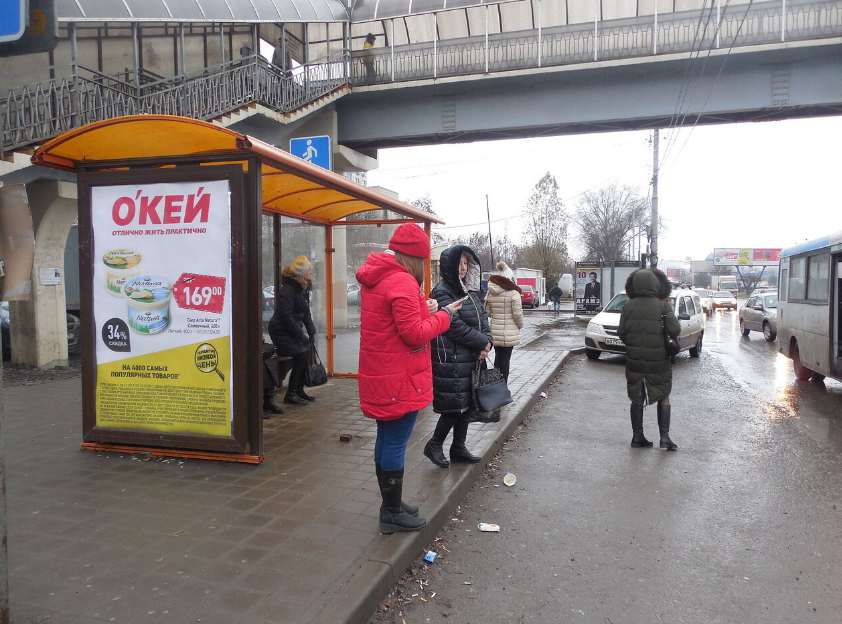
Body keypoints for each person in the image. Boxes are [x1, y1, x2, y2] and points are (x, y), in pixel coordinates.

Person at [356, 224, 462, 534]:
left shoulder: (379, 276)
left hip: (381, 372)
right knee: (396, 442)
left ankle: (391, 503)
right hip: (400, 377)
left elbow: (393, 320)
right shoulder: (401, 280)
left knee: (386, 438)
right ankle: (390, 511)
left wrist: (424, 307)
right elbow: (413, 333)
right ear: (414, 257)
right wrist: (445, 316)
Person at [424, 246, 493, 469]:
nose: (463, 268)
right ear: (449, 266)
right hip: (451, 358)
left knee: (467, 405)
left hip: (471, 357)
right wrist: (481, 342)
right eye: (459, 263)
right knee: (454, 407)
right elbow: (453, 326)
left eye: (466, 263)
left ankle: (458, 447)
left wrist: (488, 341)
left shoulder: (471, 290)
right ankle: (434, 444)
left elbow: (483, 318)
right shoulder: (442, 292)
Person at [617, 268, 680, 451]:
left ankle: (637, 437)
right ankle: (665, 438)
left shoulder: (628, 306)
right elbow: (674, 330)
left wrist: (634, 345)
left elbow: (621, 332)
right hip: (659, 360)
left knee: (637, 395)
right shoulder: (662, 306)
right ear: (655, 285)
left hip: (635, 360)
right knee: (663, 394)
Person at [268, 255, 318, 406]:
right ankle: (291, 394)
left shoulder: (302, 288)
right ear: (303, 272)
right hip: (281, 330)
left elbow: (305, 312)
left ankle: (298, 391)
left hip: (290, 329)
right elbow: (286, 316)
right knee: (301, 356)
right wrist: (300, 334)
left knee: (304, 355)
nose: (311, 273)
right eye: (309, 270)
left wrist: (311, 331)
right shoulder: (289, 290)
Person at [484, 261, 523, 382]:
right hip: (509, 332)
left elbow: (487, 312)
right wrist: (520, 325)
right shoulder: (513, 293)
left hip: (495, 331)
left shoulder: (491, 292)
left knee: (498, 357)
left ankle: (496, 385)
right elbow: (517, 314)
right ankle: (503, 386)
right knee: (506, 360)